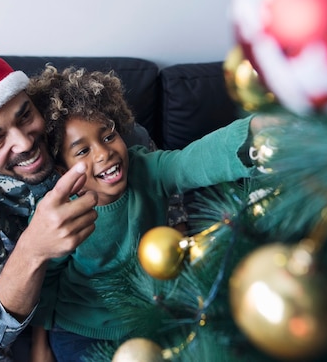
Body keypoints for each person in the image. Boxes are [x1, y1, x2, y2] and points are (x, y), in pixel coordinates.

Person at [0, 33, 188, 362]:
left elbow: (168, 192)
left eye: (25, 116)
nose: (25, 143)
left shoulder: (86, 120)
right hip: (47, 296)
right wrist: (34, 249)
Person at [24, 65, 257, 362]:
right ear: (62, 170)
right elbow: (45, 280)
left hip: (152, 318)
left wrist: (256, 135)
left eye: (108, 136)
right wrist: (39, 345)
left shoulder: (147, 169)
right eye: (82, 151)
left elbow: (191, 162)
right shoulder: (57, 216)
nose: (103, 153)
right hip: (82, 332)